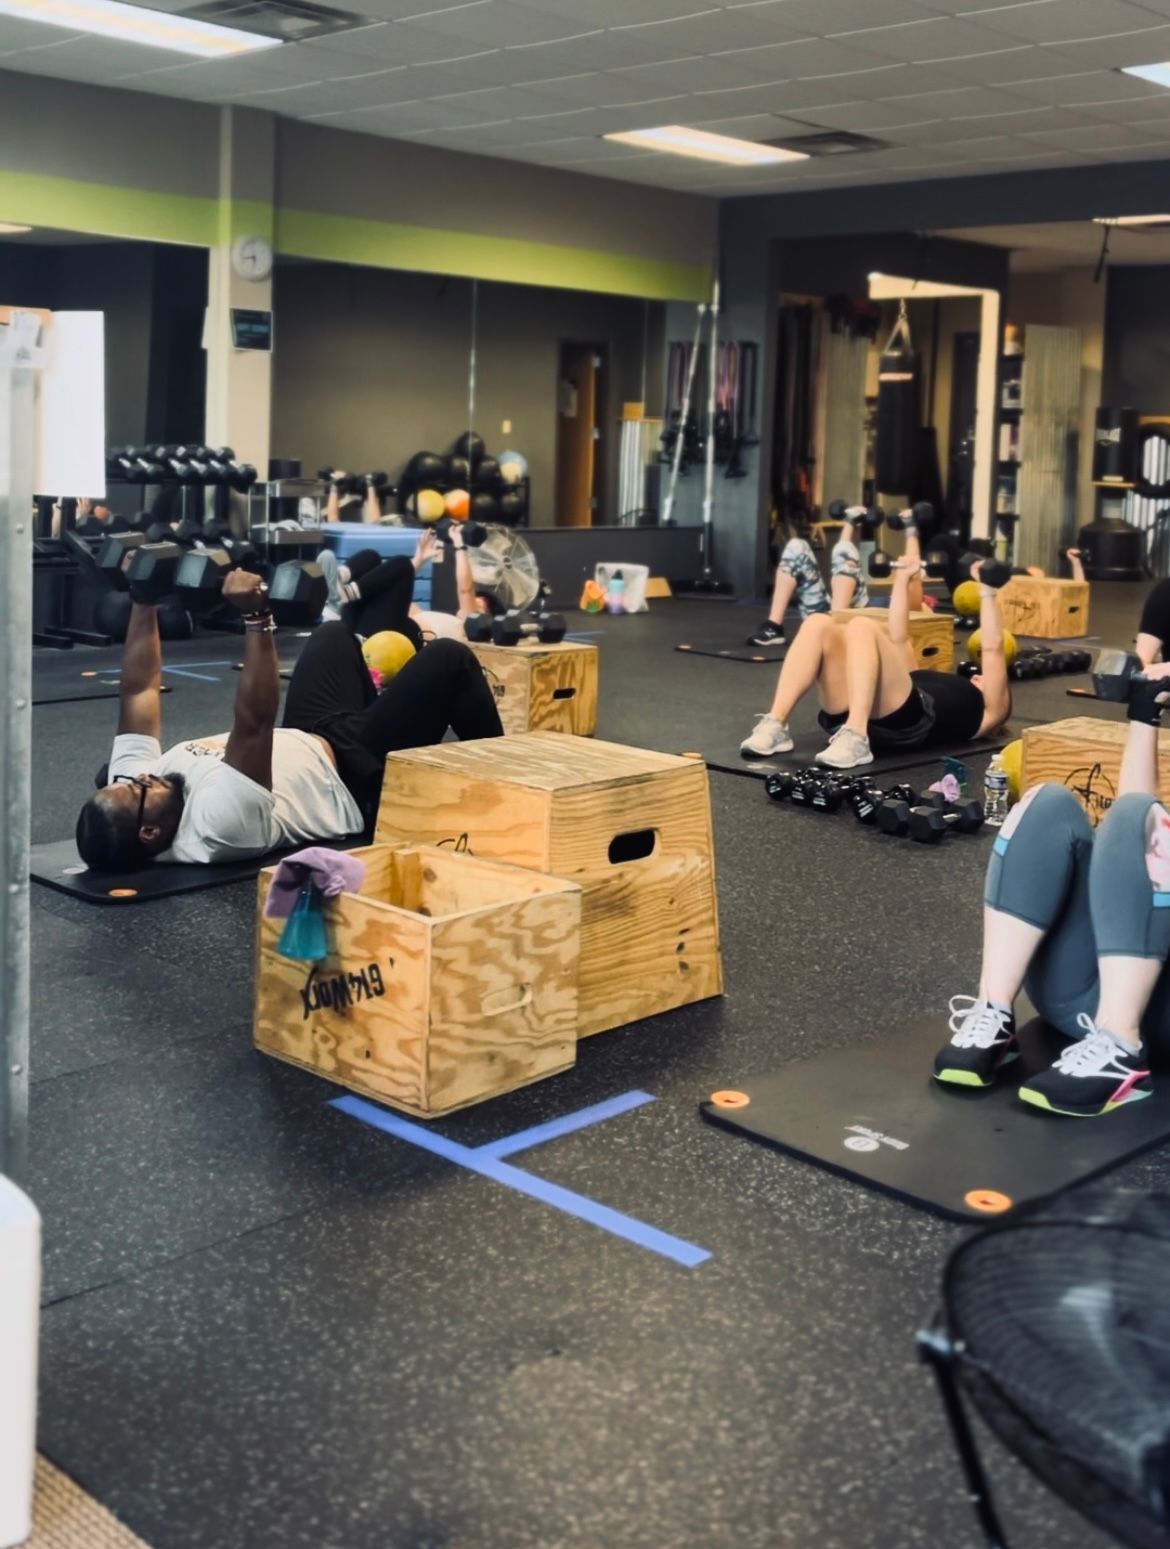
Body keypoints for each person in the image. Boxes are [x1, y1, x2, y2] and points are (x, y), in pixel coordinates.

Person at [74, 561, 503, 871]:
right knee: (450, 659)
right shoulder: (215, 828)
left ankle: (392, 697)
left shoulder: (132, 786)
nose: (140, 778)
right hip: (354, 773)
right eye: (137, 791)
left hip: (310, 731)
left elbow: (139, 690)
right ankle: (507, 789)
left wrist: (142, 601)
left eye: (129, 781)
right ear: (150, 833)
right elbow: (254, 723)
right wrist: (258, 618)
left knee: (333, 634)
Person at [933, 669, 1170, 1117]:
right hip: (1073, 1000)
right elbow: (1136, 818)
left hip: (1158, 1020)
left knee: (1145, 821)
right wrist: (1145, 711)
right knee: (1048, 803)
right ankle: (994, 1014)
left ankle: (1121, 1051)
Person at [740, 529, 1012, 770]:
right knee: (818, 623)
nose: (977, 675)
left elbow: (992, 648)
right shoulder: (916, 680)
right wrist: (903, 579)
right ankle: (777, 723)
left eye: (986, 678)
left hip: (907, 723)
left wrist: (987, 590)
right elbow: (898, 636)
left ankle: (857, 736)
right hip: (868, 714)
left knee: (862, 626)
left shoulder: (991, 712)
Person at [746, 510, 875, 648]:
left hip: (851, 618)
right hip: (823, 617)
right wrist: (851, 520)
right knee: (796, 545)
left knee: (844, 548)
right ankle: (774, 627)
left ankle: (837, 628)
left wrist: (850, 523)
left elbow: (844, 549)